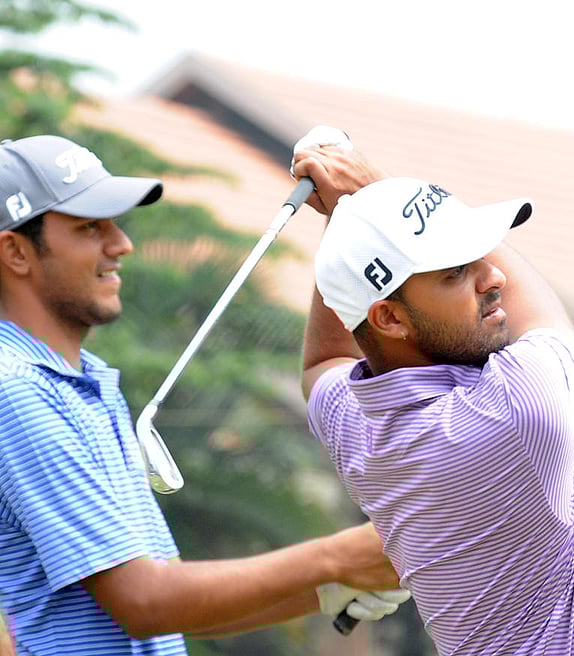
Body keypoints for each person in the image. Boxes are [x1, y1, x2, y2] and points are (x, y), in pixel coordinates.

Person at [0, 134, 408, 656]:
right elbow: (143, 603)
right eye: (88, 228)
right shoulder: (19, 391)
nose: (120, 244)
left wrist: (328, 591)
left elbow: (174, 601)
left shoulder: (83, 383)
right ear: (15, 251)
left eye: (115, 223)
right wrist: (338, 559)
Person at [291, 139, 574, 655]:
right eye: (456, 271)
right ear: (388, 317)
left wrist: (354, 220)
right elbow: (538, 314)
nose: (493, 275)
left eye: (478, 254)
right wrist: (366, 193)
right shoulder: (519, 413)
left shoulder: (357, 424)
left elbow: (322, 364)